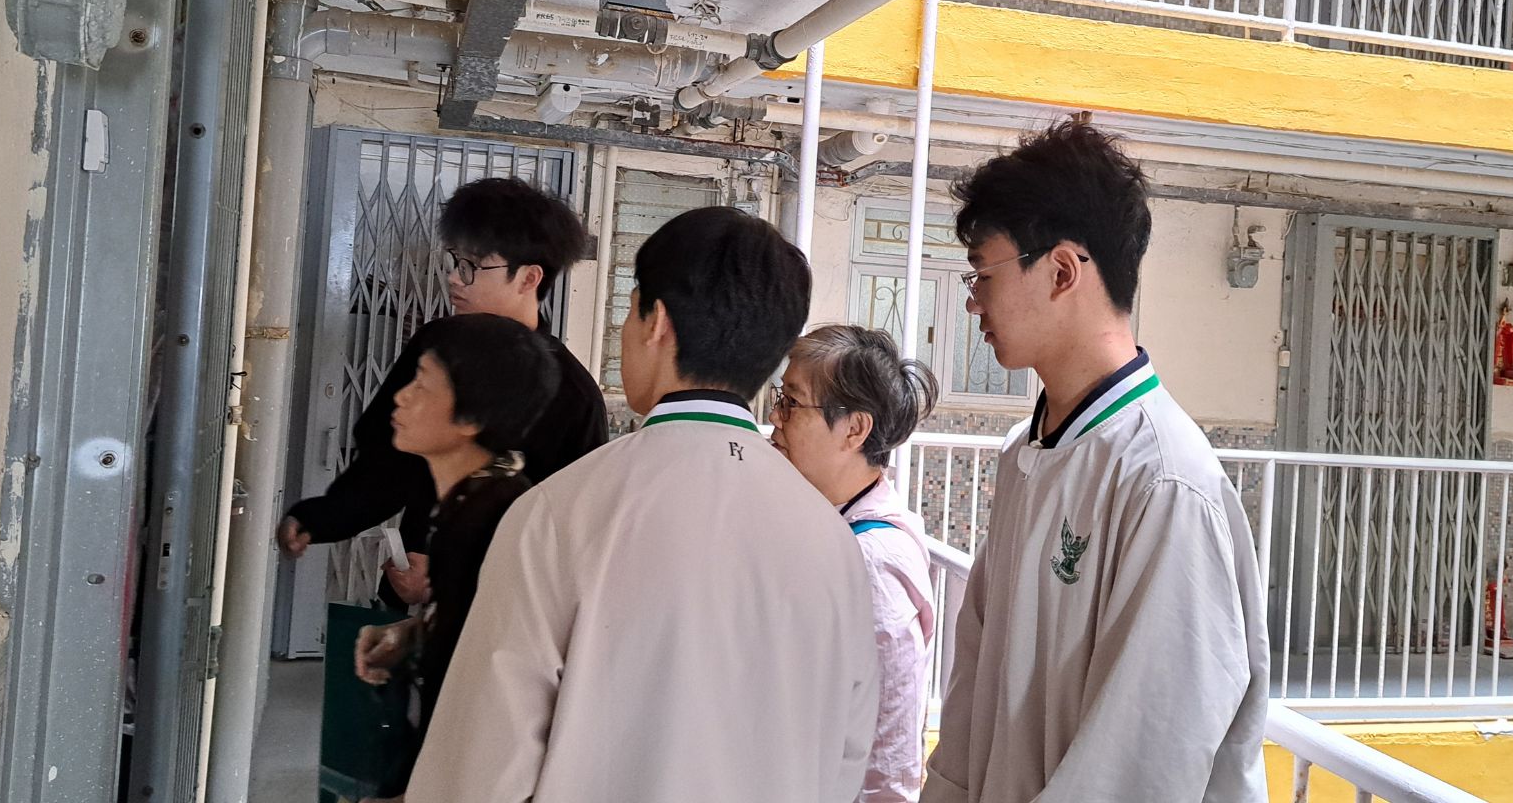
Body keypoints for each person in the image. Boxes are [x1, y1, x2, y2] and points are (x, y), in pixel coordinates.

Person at [406, 207, 879, 803]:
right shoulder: (833, 540)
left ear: (656, 323)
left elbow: (480, 769)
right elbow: (847, 755)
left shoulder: (560, 512)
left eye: (630, 312)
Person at [923, 121, 1269, 803]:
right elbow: (977, 684)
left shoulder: (1163, 479)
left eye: (983, 274)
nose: (972, 300)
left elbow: (1144, 759)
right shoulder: (1027, 453)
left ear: (1061, 271)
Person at [277, 177, 608, 606]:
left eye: (472, 266)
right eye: (455, 261)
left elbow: (568, 532)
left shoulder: (574, 397)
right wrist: (323, 518)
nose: (454, 278)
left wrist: (455, 579)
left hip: (498, 611)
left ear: (529, 278)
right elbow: (386, 460)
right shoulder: (436, 346)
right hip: (409, 592)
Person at [349, 314, 558, 786]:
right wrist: (415, 634)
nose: (401, 396)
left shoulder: (492, 518)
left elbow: (499, 683)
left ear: (471, 419)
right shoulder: (472, 499)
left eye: (422, 385)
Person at [770, 324, 939, 803]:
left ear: (855, 429)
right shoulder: (827, 521)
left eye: (792, 403)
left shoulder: (872, 560)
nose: (775, 417)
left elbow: (891, 741)